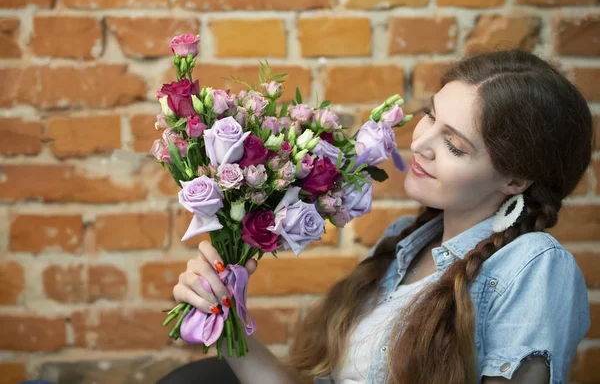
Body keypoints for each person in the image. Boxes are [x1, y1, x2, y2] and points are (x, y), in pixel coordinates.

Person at [167, 49, 594, 384]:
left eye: (455, 145)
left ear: (516, 180)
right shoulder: (405, 244)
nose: (422, 142)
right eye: (430, 115)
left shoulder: (536, 267)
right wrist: (230, 327)